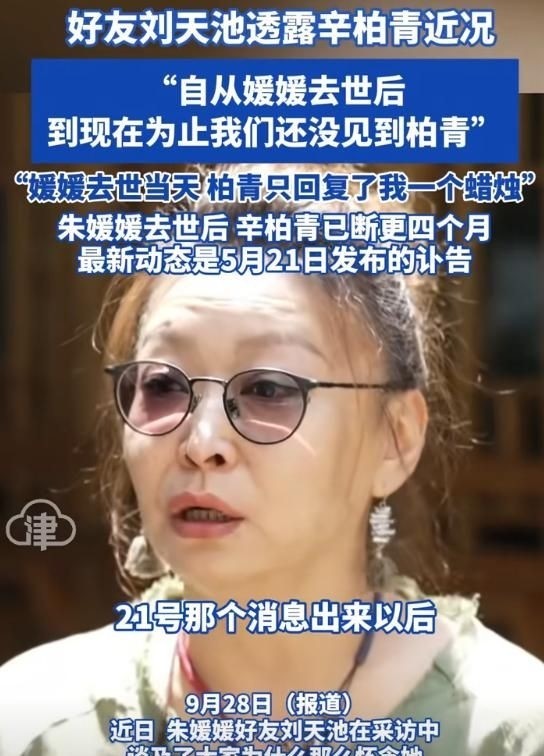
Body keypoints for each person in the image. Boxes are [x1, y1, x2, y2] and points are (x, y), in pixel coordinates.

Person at [1, 163, 544, 756]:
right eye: (163, 384)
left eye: (268, 389)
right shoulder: (38, 722)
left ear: (396, 438)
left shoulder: (509, 731)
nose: (201, 441)